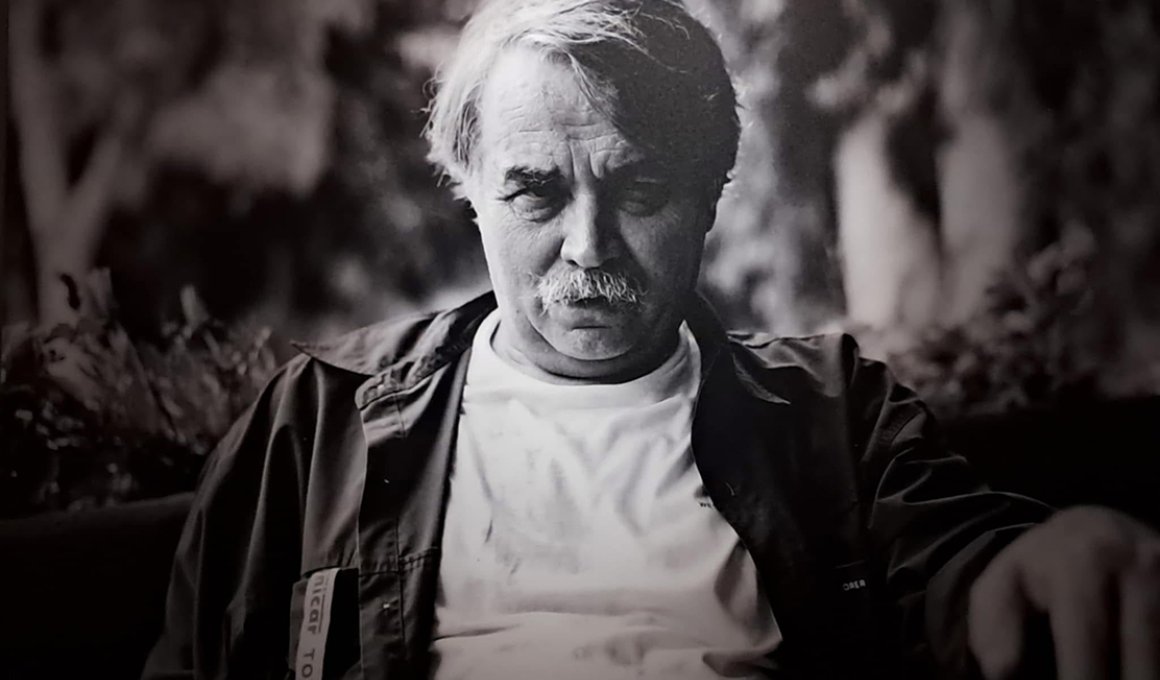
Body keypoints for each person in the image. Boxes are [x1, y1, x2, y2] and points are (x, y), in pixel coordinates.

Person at [143, 1, 1160, 678]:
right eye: (536, 193)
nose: (588, 248)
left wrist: (1041, 555)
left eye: (639, 190)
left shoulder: (832, 413)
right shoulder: (318, 420)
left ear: (711, 195)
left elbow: (963, 565)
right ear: (470, 194)